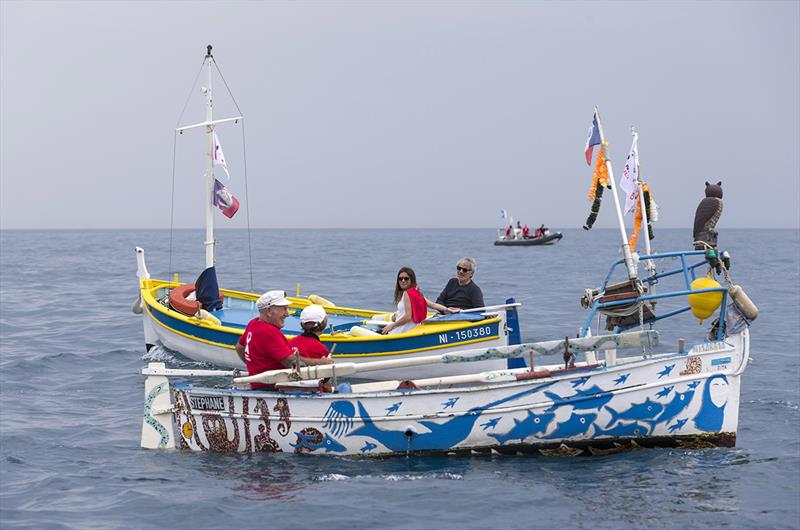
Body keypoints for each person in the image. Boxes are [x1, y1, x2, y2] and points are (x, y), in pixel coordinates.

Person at [235, 290, 332, 389]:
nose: (287, 314)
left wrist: (254, 368)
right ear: (269, 311)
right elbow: (290, 361)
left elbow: (239, 347)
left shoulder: (253, 323)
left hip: (260, 383)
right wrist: (321, 363)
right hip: (274, 387)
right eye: (284, 309)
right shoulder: (269, 332)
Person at [381, 267, 456, 335]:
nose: (403, 281)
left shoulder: (407, 293)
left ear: (411, 279)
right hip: (413, 331)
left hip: (401, 332)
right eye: (400, 279)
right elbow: (433, 305)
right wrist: (447, 309)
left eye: (406, 278)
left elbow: (408, 317)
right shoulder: (417, 293)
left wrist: (392, 325)